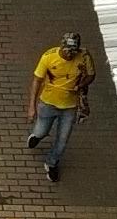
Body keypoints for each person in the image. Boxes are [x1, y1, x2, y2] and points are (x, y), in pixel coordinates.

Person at [25, 31, 95, 180]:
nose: (70, 55)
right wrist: (32, 107)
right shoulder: (48, 57)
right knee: (41, 131)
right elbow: (37, 81)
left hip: (70, 107)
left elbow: (91, 75)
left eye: (73, 52)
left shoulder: (84, 56)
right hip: (48, 104)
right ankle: (37, 136)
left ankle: (51, 163)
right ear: (61, 46)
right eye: (67, 51)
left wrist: (81, 84)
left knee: (62, 140)